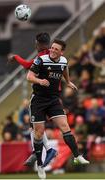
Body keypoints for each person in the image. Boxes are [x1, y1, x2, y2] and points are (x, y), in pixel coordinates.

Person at [27, 39, 90, 179]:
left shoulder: (63, 61)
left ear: (62, 52)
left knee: (65, 126)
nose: (53, 50)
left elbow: (64, 68)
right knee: (39, 133)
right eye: (52, 48)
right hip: (38, 100)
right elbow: (29, 76)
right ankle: (40, 164)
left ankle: (77, 156)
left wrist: (68, 81)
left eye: (56, 49)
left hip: (53, 100)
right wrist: (39, 81)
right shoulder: (41, 60)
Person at [8, 32, 57, 166]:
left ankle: (44, 150)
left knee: (35, 126)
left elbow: (27, 65)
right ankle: (42, 151)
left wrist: (16, 57)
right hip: (52, 96)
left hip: (41, 97)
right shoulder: (54, 54)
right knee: (35, 127)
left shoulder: (41, 56)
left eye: (36, 43)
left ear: (39, 44)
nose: (35, 45)